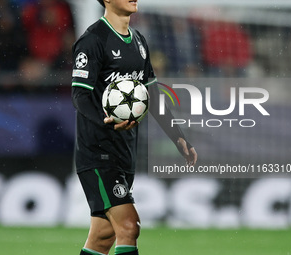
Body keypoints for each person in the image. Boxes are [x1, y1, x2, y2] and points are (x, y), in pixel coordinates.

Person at [71, 1, 197, 255]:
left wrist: (179, 138)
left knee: (102, 237)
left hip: (124, 152)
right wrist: (106, 120)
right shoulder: (93, 40)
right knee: (129, 225)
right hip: (97, 153)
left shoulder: (139, 41)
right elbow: (80, 96)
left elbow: (152, 94)